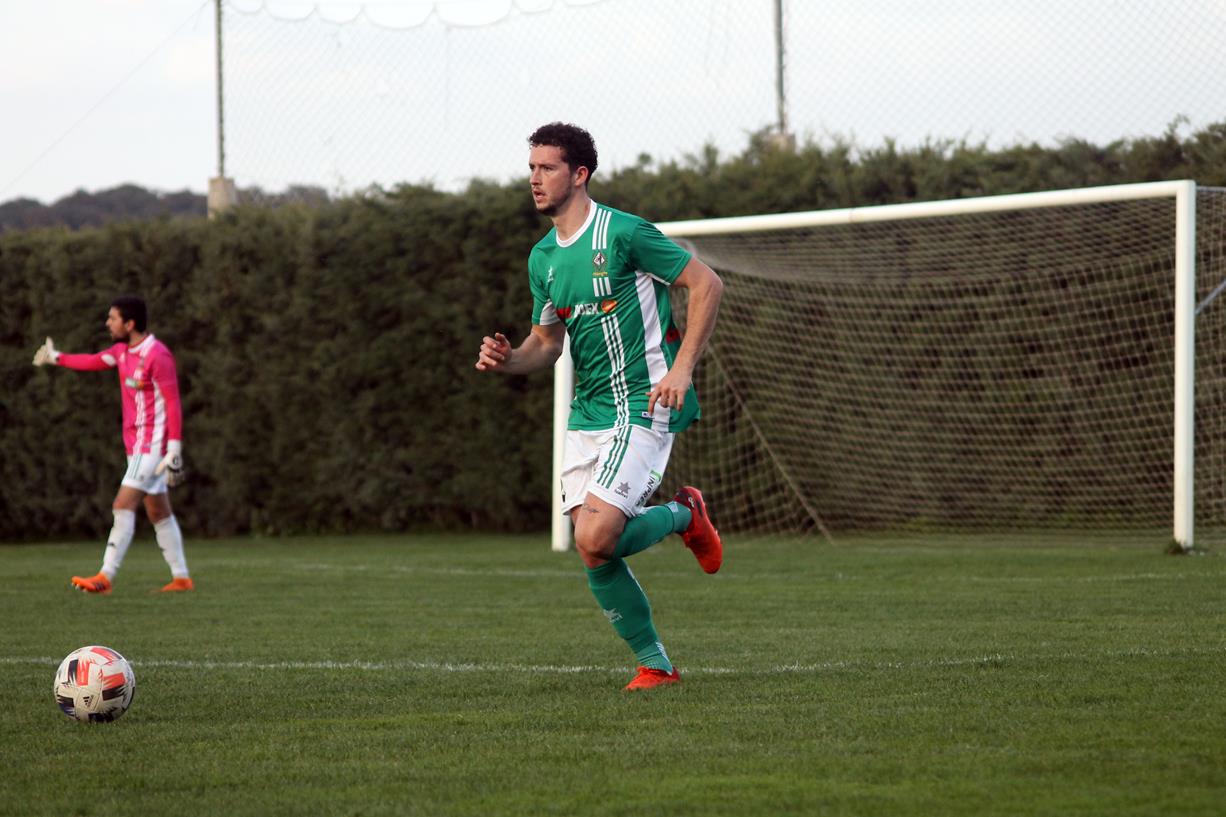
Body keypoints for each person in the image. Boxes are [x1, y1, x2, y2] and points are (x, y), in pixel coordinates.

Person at [476, 122, 724, 690]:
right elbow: (547, 344)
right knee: (593, 550)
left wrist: (682, 369)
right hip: (588, 416)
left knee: (594, 536)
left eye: (547, 168)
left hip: (645, 402)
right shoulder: (543, 259)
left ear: (579, 174)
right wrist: (508, 359)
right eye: (531, 167)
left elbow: (706, 284)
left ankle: (685, 515)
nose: (534, 178)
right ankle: (656, 666)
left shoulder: (624, 234)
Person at [33, 295, 193, 594]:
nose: (108, 323)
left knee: (122, 504)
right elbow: (93, 361)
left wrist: (174, 448)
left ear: (130, 324)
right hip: (137, 446)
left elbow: (173, 403)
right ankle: (182, 578)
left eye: (113, 318)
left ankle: (104, 577)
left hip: (153, 447)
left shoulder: (157, 355)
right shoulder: (122, 352)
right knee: (158, 512)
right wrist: (56, 357)